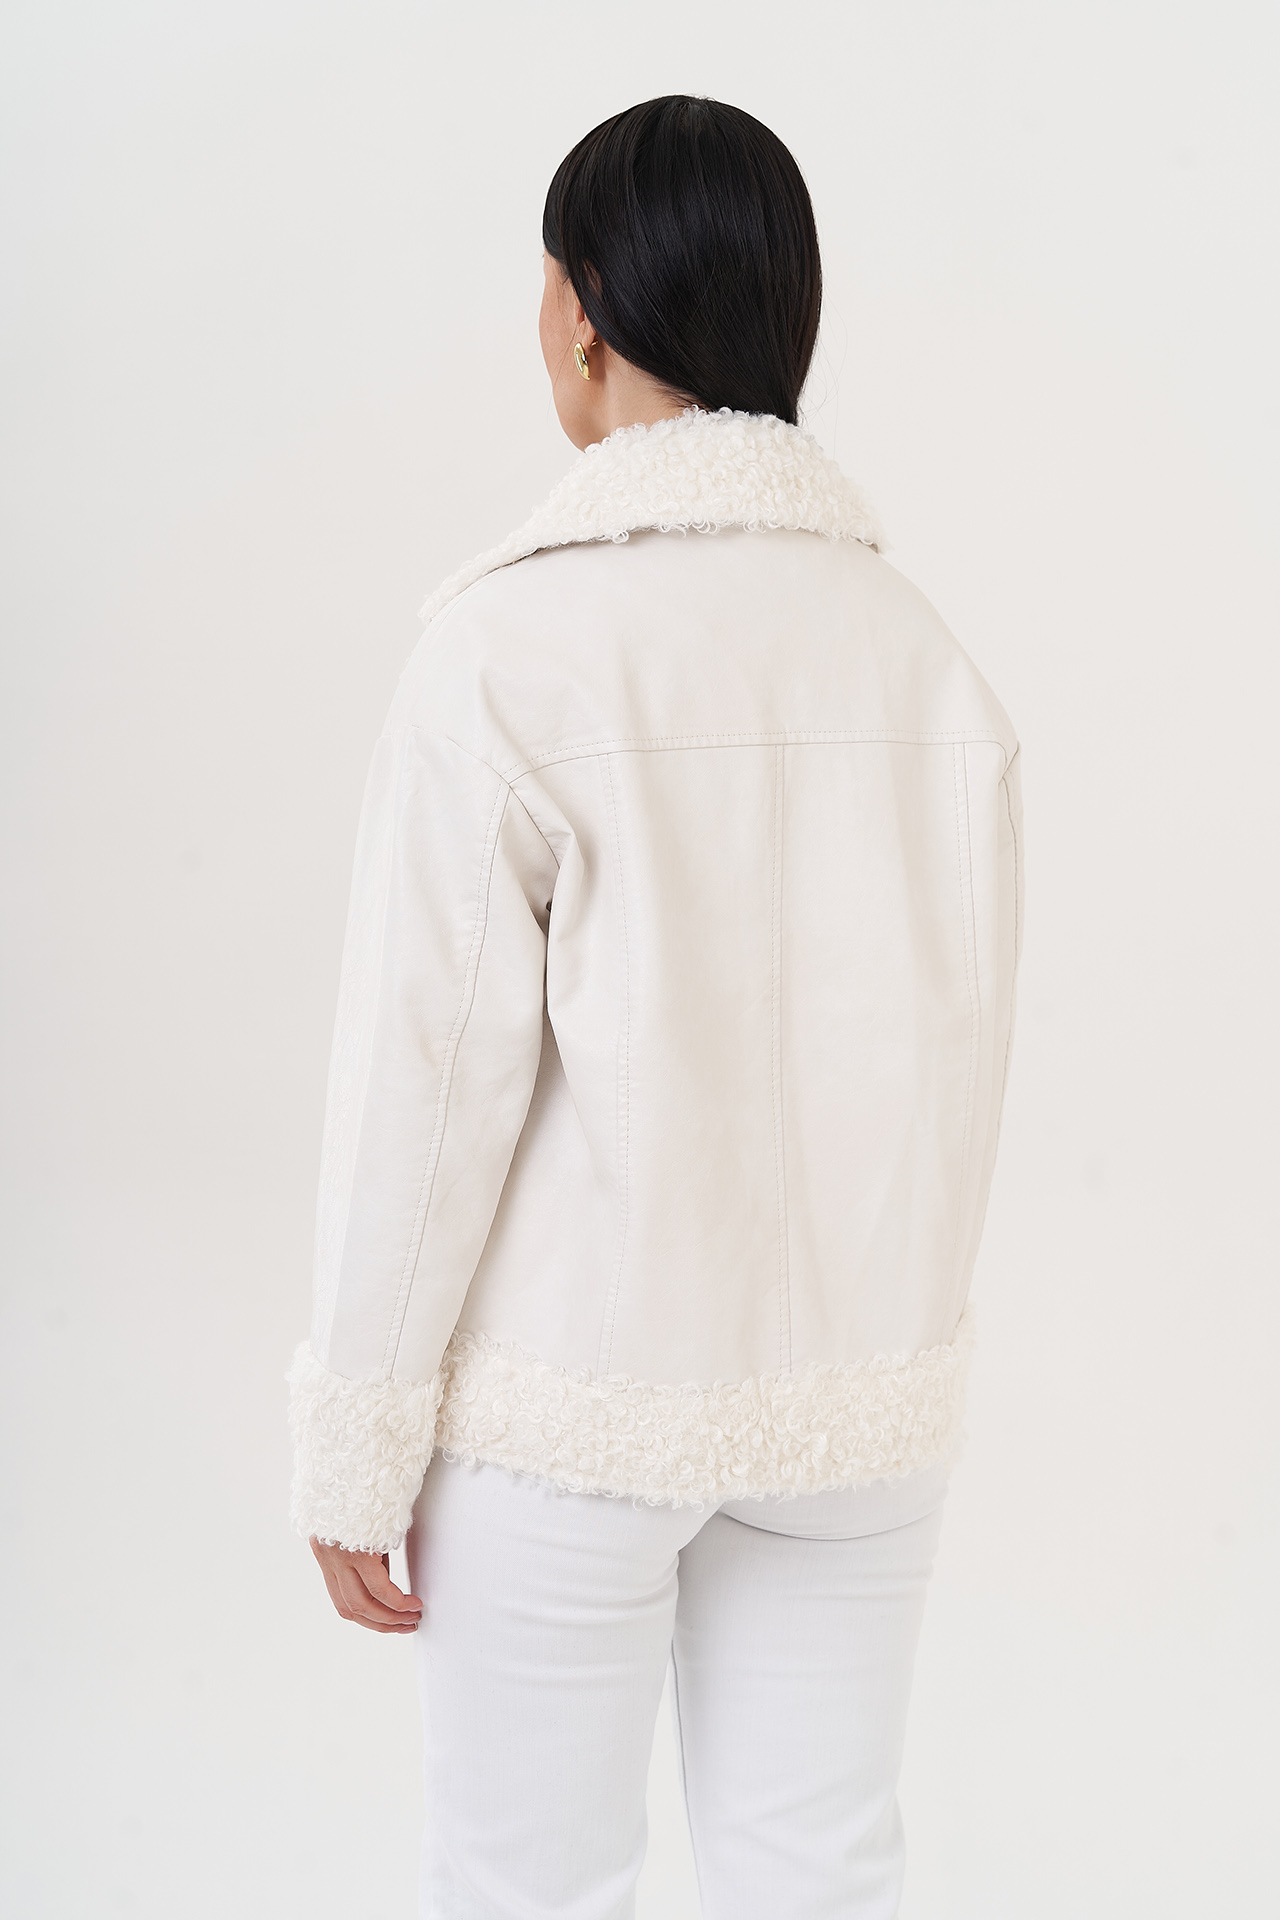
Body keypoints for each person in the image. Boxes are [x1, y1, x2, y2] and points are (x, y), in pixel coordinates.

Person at [289, 94, 1022, 1920]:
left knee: (526, 1890)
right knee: (818, 1876)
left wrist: (359, 1430)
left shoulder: (506, 652)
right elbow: (958, 1064)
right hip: (855, 1409)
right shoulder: (927, 661)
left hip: (570, 1412)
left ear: (583, 314)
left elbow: (424, 1087)